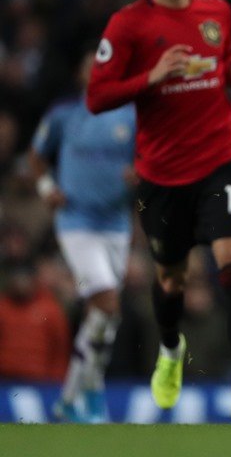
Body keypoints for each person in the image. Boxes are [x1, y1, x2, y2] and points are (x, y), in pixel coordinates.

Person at [86, 0, 231, 423]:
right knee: (170, 280)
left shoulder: (217, 11)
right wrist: (152, 76)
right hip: (161, 175)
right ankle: (170, 349)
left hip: (220, 157)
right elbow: (96, 96)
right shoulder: (127, 26)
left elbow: (222, 65)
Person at [28, 47, 136, 423]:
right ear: (81, 76)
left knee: (103, 317)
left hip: (116, 226)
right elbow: (37, 155)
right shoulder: (64, 115)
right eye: (91, 68)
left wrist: (140, 177)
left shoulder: (132, 117)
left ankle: (74, 395)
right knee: (107, 304)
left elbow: (152, 162)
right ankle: (87, 392)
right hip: (76, 222)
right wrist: (45, 188)